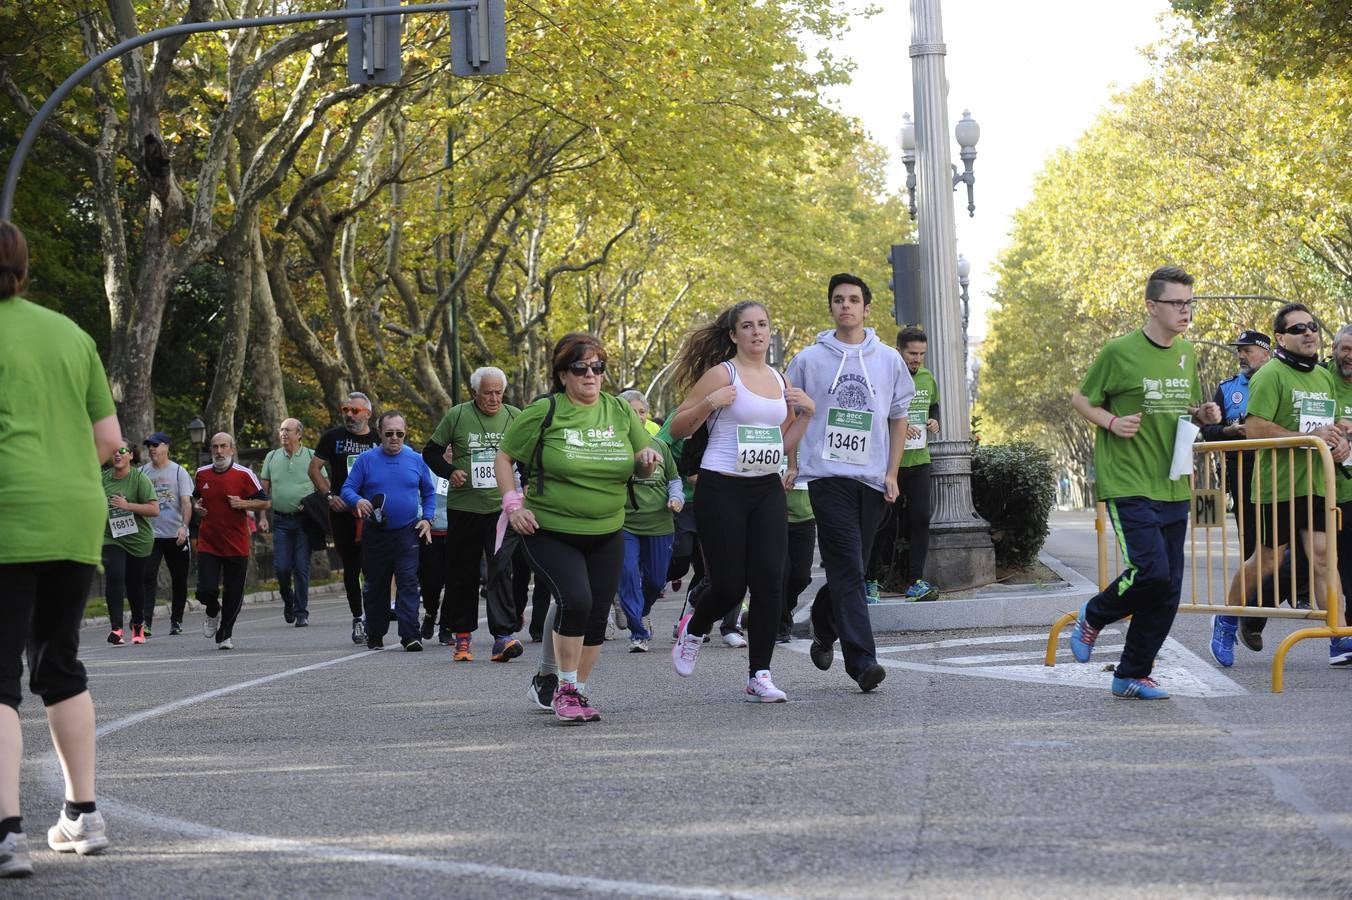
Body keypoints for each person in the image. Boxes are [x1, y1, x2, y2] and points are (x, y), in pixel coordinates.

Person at [0, 219, 122, 876]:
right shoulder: (70, 336)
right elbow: (110, 442)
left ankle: (4, 830)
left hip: (7, 514)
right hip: (75, 516)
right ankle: (82, 814)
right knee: (59, 667)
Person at [1066, 265, 1222, 698]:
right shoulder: (1119, 352)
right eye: (1176, 302)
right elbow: (1082, 398)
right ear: (1151, 306)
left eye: (1189, 302)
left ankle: (1130, 673)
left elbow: (1181, 408)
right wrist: (1112, 422)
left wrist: (1203, 414)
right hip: (1128, 479)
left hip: (1171, 481)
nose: (1184, 310)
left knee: (1169, 587)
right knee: (1151, 572)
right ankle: (1094, 615)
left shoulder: (1186, 353)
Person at [497, 333, 658, 723]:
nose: (591, 375)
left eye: (598, 367)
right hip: (549, 528)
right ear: (563, 374)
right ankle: (564, 689)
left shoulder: (619, 410)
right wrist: (513, 504)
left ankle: (578, 690)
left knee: (597, 609)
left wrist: (647, 460)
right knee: (577, 600)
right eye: (581, 368)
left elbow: (640, 457)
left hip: (607, 528)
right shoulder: (544, 411)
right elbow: (504, 456)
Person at [668, 301, 814, 702]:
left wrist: (805, 417)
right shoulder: (721, 373)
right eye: (747, 326)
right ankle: (694, 628)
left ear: (770, 332)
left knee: (770, 580)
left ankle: (760, 675)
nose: (756, 332)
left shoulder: (779, 379)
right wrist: (710, 403)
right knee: (730, 585)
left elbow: (779, 446)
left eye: (763, 325)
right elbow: (678, 426)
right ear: (733, 335)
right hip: (722, 487)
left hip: (765, 488)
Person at [784, 274, 913, 693]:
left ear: (866, 308)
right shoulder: (809, 360)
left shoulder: (889, 359)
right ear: (831, 308)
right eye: (838, 300)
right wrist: (790, 461)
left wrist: (892, 473)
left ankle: (823, 624)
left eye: (853, 300)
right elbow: (788, 412)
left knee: (851, 570)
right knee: (848, 569)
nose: (846, 306)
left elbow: (898, 418)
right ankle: (863, 662)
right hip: (826, 477)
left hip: (872, 479)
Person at [1209, 304, 1352, 668]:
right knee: (1268, 560)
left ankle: (1338, 636)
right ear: (1280, 338)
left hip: (1318, 483)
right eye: (1299, 328)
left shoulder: (1322, 377)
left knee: (1324, 558)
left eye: (1313, 327)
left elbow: (1327, 424)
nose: (1309, 333)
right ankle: (1226, 619)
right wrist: (1308, 437)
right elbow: (1256, 429)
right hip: (1278, 485)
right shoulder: (1270, 374)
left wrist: (1337, 440)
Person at [1198, 330, 1304, 649]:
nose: (1241, 356)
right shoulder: (1227, 388)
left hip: (1287, 471)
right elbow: (1208, 432)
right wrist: (1230, 431)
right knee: (1258, 551)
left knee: (1299, 548)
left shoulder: (1287, 380)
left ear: (1265, 351)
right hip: (1243, 472)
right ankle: (1245, 617)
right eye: (1238, 351)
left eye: (1246, 350)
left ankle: (1269, 607)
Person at [421, 367, 526, 661]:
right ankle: (462, 637)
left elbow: (528, 454)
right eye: (487, 393)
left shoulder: (515, 416)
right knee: (462, 574)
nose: (493, 399)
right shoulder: (457, 415)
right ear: (475, 393)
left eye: (498, 393)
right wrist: (450, 470)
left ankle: (502, 637)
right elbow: (430, 452)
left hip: (501, 509)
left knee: (500, 570)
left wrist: (526, 485)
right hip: (464, 508)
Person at [342, 412, 436, 650]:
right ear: (379, 433)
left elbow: (428, 492)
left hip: (407, 531)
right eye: (389, 433)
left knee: (407, 582)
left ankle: (410, 635)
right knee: (375, 584)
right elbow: (347, 489)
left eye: (400, 433)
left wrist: (427, 519)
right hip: (376, 532)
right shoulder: (366, 460)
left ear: (406, 433)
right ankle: (375, 633)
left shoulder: (416, 459)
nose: (395, 438)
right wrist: (358, 501)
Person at [865, 326, 941, 602]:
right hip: (890, 464)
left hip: (919, 460)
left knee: (920, 520)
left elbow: (933, 406)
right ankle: (870, 580)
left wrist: (935, 421)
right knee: (884, 523)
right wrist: (897, 426)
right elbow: (874, 414)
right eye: (912, 353)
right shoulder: (884, 376)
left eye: (921, 354)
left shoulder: (927, 377)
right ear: (899, 351)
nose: (917, 359)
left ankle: (915, 581)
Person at [310, 392, 382, 644]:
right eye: (346, 410)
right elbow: (314, 469)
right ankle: (358, 618)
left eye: (355, 411)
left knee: (373, 566)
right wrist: (330, 496)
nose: (349, 416)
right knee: (351, 567)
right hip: (343, 513)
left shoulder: (378, 439)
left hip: (372, 512)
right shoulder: (333, 438)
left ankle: (376, 615)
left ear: (368, 414)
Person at [617, 395, 683, 652]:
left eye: (643, 411)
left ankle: (641, 610)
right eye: (633, 412)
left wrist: (676, 499)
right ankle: (638, 631)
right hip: (625, 524)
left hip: (659, 524)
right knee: (628, 573)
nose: (639, 416)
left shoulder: (660, 445)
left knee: (656, 581)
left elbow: (674, 480)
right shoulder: (616, 447)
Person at [194, 433, 270, 650]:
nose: (219, 451)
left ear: (231, 449)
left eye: (223, 446)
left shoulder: (244, 474)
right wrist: (197, 507)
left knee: (233, 592)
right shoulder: (201, 473)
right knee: (205, 590)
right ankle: (212, 609)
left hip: (236, 543)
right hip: (209, 541)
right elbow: (195, 498)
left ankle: (225, 633)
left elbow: (265, 503)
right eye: (215, 447)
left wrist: (243, 503)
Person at [101, 443, 158, 645]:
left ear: (131, 455)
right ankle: (116, 628)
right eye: (114, 451)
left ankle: (138, 624)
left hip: (138, 540)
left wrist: (127, 506)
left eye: (122, 451)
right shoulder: (103, 478)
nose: (117, 454)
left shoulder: (139, 478)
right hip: (111, 537)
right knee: (114, 576)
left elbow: (154, 509)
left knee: (134, 584)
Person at [260, 418, 316, 627]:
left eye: (288, 430)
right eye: (281, 430)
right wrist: (263, 517)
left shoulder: (311, 456)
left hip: (304, 521)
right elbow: (262, 491)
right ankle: (288, 600)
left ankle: (301, 612)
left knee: (301, 567)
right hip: (281, 520)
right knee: (282, 568)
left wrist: (310, 505)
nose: (283, 433)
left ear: (299, 434)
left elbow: (323, 486)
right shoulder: (272, 456)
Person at [139, 431, 194, 635]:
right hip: (151, 535)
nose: (152, 449)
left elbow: (187, 503)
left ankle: (176, 620)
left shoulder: (179, 472)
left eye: (156, 445)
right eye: (149, 445)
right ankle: (145, 622)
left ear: (166, 447)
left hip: (175, 535)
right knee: (147, 576)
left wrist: (184, 527)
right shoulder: (142, 472)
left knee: (179, 579)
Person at [780, 453, 817, 643]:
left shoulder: (813, 436)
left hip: (806, 518)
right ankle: (781, 624)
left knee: (801, 576)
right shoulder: (779, 433)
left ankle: (783, 608)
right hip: (776, 517)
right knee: (781, 573)